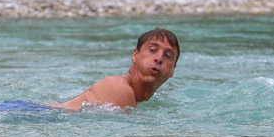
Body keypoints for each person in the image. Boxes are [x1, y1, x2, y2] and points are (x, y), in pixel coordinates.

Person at [49, 28, 179, 110]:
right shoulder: (119, 88)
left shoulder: (134, 97)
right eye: (152, 50)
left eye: (167, 56)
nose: (159, 58)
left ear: (173, 70)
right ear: (135, 55)